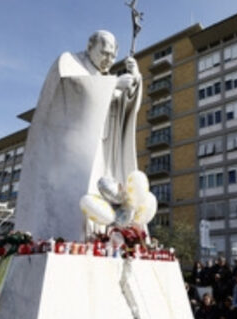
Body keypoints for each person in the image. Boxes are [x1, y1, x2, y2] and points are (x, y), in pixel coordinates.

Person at [14, 29, 142, 241]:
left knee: (102, 197)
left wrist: (135, 80)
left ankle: (102, 238)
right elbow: (69, 91)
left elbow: (122, 106)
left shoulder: (103, 77)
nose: (108, 60)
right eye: (104, 53)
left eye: (112, 56)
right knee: (79, 202)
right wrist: (112, 86)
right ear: (90, 46)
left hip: (102, 147)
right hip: (72, 154)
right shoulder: (69, 63)